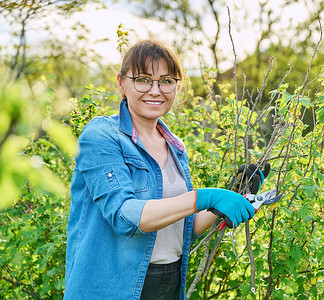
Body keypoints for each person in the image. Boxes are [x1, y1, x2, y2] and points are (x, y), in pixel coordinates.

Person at [64, 38, 268, 300]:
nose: (155, 90)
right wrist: (206, 197)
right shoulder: (102, 137)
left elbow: (185, 226)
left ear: (176, 87)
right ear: (122, 83)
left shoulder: (175, 145)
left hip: (168, 284)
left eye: (166, 81)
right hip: (113, 287)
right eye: (143, 79)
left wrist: (233, 194)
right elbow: (124, 215)